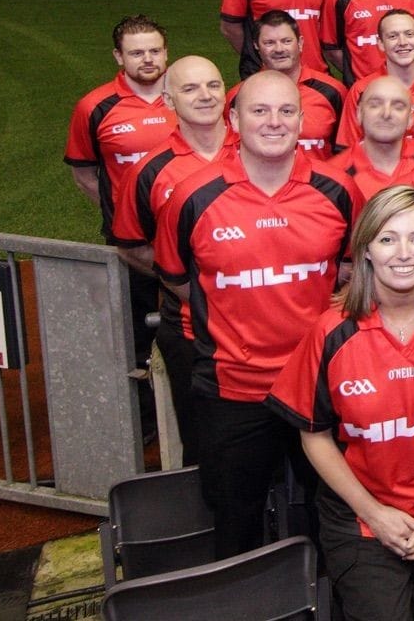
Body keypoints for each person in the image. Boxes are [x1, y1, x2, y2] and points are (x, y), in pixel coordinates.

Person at [154, 70, 362, 557]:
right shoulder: (192, 196)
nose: (274, 122)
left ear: (301, 119)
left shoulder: (337, 191)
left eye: (286, 111)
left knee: (330, 512)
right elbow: (175, 276)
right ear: (234, 119)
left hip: (318, 386)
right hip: (232, 387)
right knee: (235, 516)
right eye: (260, 111)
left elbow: (350, 267)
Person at [268, 186, 414, 621]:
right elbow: (313, 436)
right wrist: (375, 514)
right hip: (361, 521)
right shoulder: (332, 332)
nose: (403, 253)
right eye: (388, 239)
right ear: (365, 249)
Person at [112, 55, 233, 465]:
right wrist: (189, 285)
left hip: (272, 331)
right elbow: (131, 245)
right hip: (190, 331)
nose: (205, 96)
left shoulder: (259, 151)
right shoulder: (150, 170)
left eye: (213, 85)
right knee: (205, 446)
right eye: (190, 88)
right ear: (167, 100)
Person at [66, 14, 177, 381]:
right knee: (138, 331)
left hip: (188, 230)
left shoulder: (189, 97)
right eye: (136, 52)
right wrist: (120, 216)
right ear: (118, 57)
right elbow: (83, 174)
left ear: (166, 53)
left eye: (155, 50)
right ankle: (147, 419)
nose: (148, 59)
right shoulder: (95, 106)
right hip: (135, 242)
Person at [240, 10, 345, 160]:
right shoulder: (241, 95)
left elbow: (346, 152)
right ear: (256, 45)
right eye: (269, 43)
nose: (279, 49)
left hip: (320, 183)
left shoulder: (333, 92)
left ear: (300, 43)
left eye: (286, 41)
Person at [337, 10, 414, 151]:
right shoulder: (362, 90)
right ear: (381, 44)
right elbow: (347, 151)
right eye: (393, 36)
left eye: (409, 34)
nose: (402, 42)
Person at [329, 76, 414, 201]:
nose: (386, 113)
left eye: (398, 107)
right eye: (375, 105)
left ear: (410, 119)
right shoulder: (332, 175)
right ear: (359, 114)